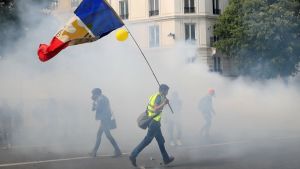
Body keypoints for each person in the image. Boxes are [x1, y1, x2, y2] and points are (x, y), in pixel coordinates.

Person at [129, 84, 175, 167]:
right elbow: (155, 108)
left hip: (154, 122)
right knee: (147, 140)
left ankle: (166, 159)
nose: (167, 93)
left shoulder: (156, 96)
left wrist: (164, 101)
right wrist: (164, 103)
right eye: (166, 91)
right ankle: (133, 155)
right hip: (154, 122)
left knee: (161, 141)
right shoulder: (158, 97)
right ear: (163, 90)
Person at [89, 88, 122, 157]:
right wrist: (95, 102)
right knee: (100, 134)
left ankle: (117, 150)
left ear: (97, 93)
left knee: (107, 135)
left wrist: (95, 103)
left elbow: (98, 108)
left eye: (93, 94)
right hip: (104, 119)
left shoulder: (102, 99)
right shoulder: (101, 98)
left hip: (105, 119)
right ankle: (94, 151)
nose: (92, 95)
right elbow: (94, 109)